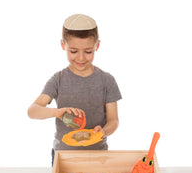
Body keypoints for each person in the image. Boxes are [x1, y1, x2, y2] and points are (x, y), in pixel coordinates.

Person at [27, 14, 122, 165]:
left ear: (97, 46)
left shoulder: (107, 80)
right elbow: (32, 111)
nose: (81, 58)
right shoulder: (58, 80)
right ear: (63, 45)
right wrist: (57, 112)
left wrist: (104, 131)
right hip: (64, 157)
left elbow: (113, 120)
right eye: (73, 51)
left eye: (88, 51)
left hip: (98, 156)